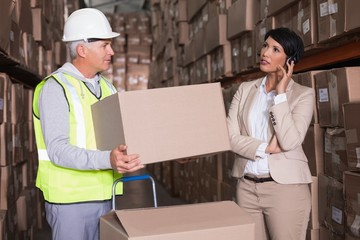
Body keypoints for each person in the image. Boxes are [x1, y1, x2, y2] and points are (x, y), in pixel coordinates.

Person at [32, 8, 144, 240]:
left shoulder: (108, 88)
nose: (111, 51)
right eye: (105, 45)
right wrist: (108, 160)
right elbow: (57, 150)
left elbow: (122, 138)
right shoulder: (56, 88)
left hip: (106, 196)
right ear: (82, 49)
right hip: (71, 203)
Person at [227, 27, 314, 240]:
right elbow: (228, 137)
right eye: (266, 45)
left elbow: (291, 140)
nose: (265, 52)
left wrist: (281, 95)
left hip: (285, 189)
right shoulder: (245, 90)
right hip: (246, 187)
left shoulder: (303, 95)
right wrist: (265, 147)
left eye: (276, 49)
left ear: (290, 61)